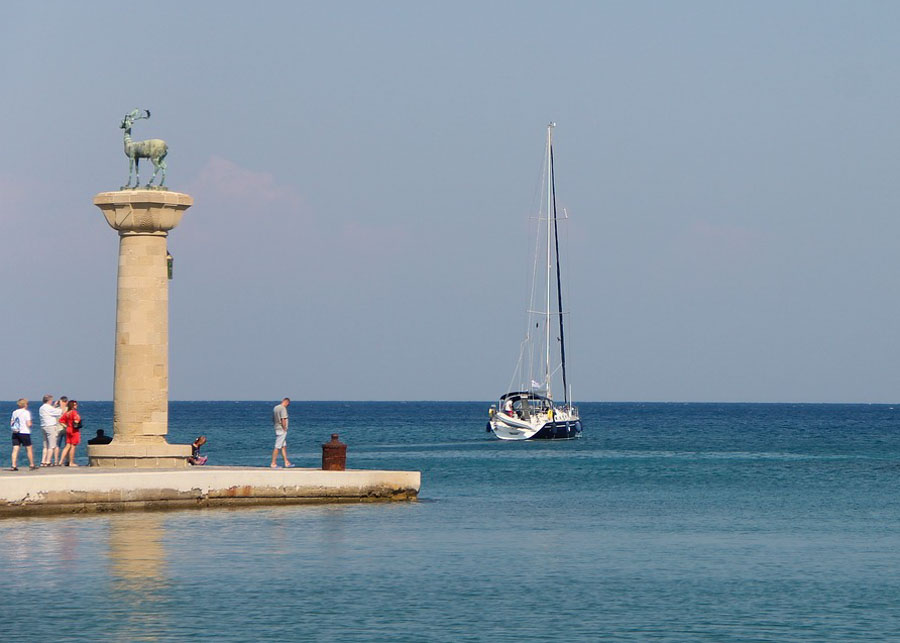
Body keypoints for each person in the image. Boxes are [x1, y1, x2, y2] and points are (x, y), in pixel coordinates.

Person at [10, 398, 35, 471]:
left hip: (15, 432)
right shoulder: (26, 412)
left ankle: (13, 465)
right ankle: (31, 464)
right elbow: (28, 424)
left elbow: (12, 422)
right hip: (24, 432)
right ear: (25, 404)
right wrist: (31, 424)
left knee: (15, 449)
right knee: (29, 448)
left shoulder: (14, 412)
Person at [39, 394, 63, 466]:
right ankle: (48, 461)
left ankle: (43, 461)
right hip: (50, 426)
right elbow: (59, 412)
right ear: (49, 400)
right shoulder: (48, 408)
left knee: (45, 445)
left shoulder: (42, 407)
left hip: (43, 426)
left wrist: (54, 406)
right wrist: (61, 405)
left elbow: (51, 411)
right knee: (51, 445)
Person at [270, 397, 294, 468]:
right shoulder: (283, 408)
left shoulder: (275, 408)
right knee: (277, 446)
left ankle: (286, 462)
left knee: (283, 446)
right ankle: (273, 463)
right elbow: (283, 419)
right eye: (288, 404)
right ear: (286, 402)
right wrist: (285, 428)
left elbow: (273, 418)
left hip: (277, 427)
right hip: (282, 430)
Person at [58, 400, 82, 467]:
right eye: (75, 405)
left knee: (67, 446)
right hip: (74, 430)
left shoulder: (67, 413)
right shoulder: (74, 412)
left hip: (68, 429)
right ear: (72, 406)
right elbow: (76, 420)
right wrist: (78, 419)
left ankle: (61, 461)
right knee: (73, 446)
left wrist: (66, 426)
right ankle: (71, 462)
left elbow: (61, 420)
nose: (76, 406)